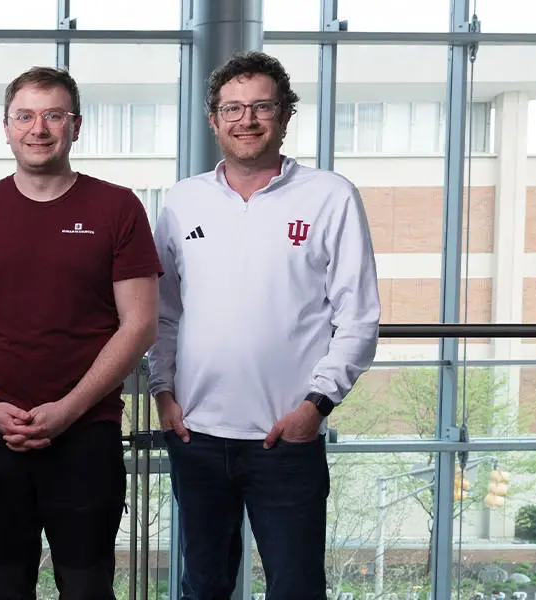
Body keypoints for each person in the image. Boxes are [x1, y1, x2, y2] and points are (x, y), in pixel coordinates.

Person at [149, 51, 380, 600]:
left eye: (261, 107)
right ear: (214, 120)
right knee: (202, 587)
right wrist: (163, 394)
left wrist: (315, 407)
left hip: (287, 437)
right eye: (233, 108)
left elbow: (358, 316)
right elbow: (162, 312)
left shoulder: (330, 195)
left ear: (285, 115)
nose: (246, 119)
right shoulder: (183, 200)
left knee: (296, 588)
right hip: (197, 435)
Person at [0, 66, 160, 599]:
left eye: (53, 115)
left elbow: (141, 323)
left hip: (86, 436)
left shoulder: (118, 207)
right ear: (6, 128)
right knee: (2, 585)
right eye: (25, 116)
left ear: (75, 126)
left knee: (87, 588)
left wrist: (69, 409)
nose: (38, 129)